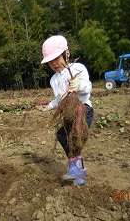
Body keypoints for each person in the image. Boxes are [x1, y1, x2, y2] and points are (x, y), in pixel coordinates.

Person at [36, 35, 94, 185]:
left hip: (83, 109)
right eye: (50, 61)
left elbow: (87, 89)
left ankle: (76, 169)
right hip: (68, 114)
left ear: (66, 54)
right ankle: (79, 169)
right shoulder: (53, 80)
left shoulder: (78, 68)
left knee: (75, 137)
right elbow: (60, 100)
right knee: (63, 135)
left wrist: (78, 84)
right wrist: (48, 106)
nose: (54, 63)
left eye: (57, 58)